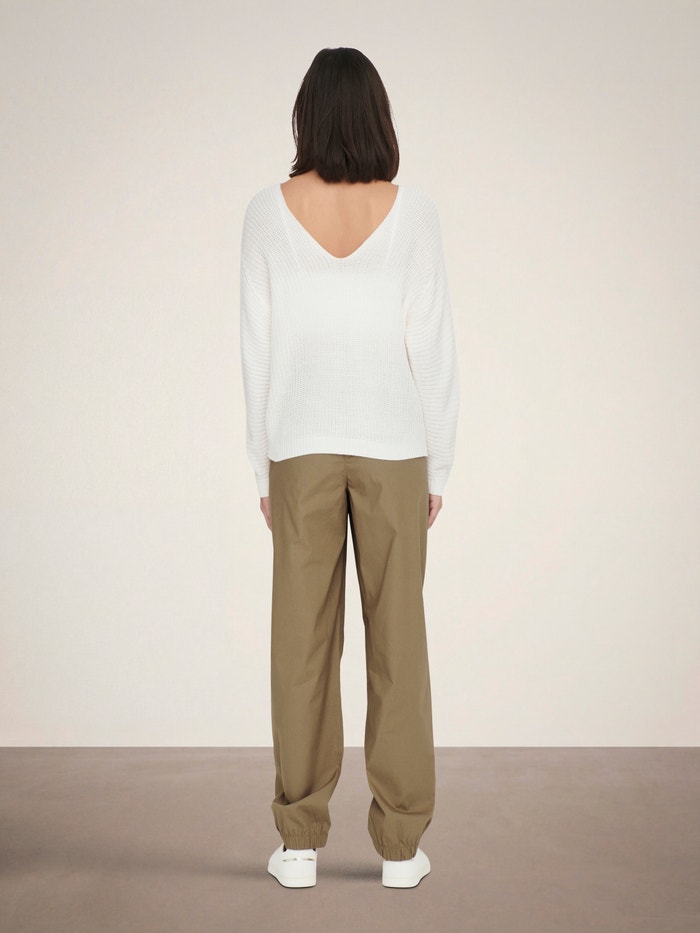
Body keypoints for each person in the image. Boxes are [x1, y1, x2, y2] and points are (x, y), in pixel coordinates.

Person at [239, 47, 459, 889]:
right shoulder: (414, 212)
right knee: (399, 640)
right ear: (375, 115)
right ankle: (400, 848)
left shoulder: (267, 212)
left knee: (300, 645)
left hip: (298, 446)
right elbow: (433, 345)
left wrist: (261, 469)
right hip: (396, 447)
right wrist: (441, 462)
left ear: (308, 116)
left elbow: (256, 351)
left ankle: (299, 842)